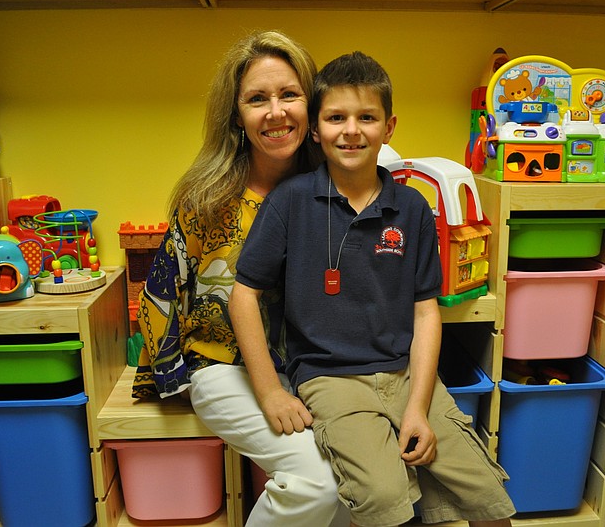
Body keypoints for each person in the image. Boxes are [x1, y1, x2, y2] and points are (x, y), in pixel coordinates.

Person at [230, 51, 516, 527]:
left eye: (367, 117)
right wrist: (269, 392)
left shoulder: (413, 209)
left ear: (389, 127)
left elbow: (426, 314)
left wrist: (420, 408)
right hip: (329, 381)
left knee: (488, 497)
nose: (352, 130)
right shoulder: (290, 202)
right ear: (316, 129)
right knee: (385, 502)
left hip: (406, 376)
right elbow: (244, 294)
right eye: (336, 117)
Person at [131, 30, 348, 527]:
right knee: (316, 483)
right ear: (237, 116)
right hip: (221, 370)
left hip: (313, 370)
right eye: (257, 99)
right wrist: (172, 378)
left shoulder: (335, 190)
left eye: (289, 95)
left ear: (311, 106)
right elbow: (162, 288)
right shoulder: (207, 196)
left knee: (350, 476)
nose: (276, 112)